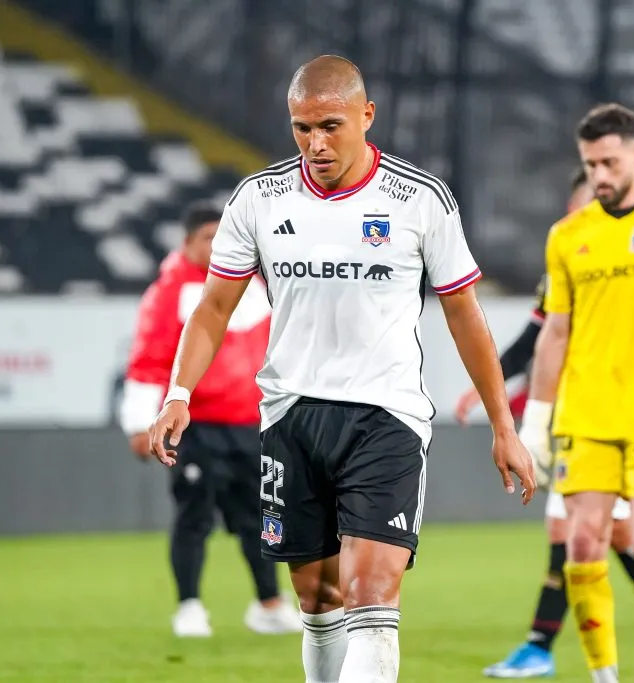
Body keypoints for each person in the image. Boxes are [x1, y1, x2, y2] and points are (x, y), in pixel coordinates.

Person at [146, 55, 536, 683]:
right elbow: (213, 308)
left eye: (331, 125)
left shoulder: (419, 199)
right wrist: (177, 393)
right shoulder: (259, 199)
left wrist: (503, 424)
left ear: (367, 115)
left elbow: (464, 314)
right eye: (302, 128)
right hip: (290, 415)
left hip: (386, 417)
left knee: (372, 597)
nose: (316, 143)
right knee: (319, 603)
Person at [465, 170, 634, 679]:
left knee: (615, 540)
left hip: (628, 422)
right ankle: (546, 645)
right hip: (576, 422)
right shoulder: (566, 266)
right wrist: (490, 387)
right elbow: (539, 336)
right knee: (577, 537)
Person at [519, 102, 634, 683]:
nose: (600, 174)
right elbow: (555, 333)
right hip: (586, 414)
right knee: (583, 545)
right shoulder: (568, 236)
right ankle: (605, 678)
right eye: (591, 163)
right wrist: (536, 421)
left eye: (610, 161)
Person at [120, 202, 301, 638]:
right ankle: (189, 607)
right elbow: (148, 361)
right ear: (187, 243)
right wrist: (139, 424)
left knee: (260, 518)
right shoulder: (170, 292)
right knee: (194, 516)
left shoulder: (255, 284)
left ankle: (269, 604)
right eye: (208, 237)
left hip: (250, 425)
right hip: (194, 426)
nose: (219, 245)